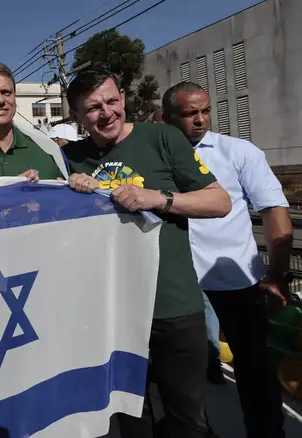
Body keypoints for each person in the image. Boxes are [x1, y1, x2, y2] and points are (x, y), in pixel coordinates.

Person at [63, 68, 231, 438]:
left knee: (188, 420)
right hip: (113, 314)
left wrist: (159, 198)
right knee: (131, 417)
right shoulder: (69, 158)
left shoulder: (163, 137)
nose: (106, 113)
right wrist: (70, 187)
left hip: (173, 305)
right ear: (76, 115)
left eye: (112, 101)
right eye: (93, 108)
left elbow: (220, 202)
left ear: (123, 98)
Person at [163, 81, 290, 438]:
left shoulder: (238, 152)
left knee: (255, 368)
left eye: (205, 111)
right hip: (179, 283)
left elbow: (273, 209)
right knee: (183, 375)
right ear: (167, 117)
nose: (200, 120)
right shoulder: (155, 157)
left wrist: (277, 274)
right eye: (190, 113)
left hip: (236, 282)